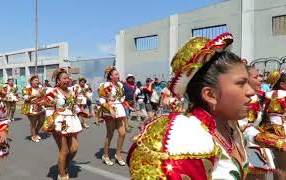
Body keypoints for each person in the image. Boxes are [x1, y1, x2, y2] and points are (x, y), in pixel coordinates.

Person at [127, 32, 253, 179]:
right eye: (241, 84)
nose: (251, 91)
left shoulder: (231, 125)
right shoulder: (185, 137)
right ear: (210, 95)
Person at [42, 68, 82, 180]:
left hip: (72, 121)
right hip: (59, 121)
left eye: (68, 78)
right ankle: (61, 174)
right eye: (64, 78)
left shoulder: (72, 91)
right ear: (58, 81)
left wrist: (82, 112)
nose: (67, 80)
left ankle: (62, 165)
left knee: (74, 149)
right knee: (64, 150)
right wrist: (52, 121)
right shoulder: (53, 92)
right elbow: (49, 108)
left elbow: (74, 106)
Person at [238, 66, 275, 179]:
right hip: (248, 145)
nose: (260, 79)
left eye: (259, 76)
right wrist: (263, 137)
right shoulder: (247, 99)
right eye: (256, 77)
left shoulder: (256, 97)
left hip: (255, 142)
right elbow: (243, 125)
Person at [254, 70, 286, 179]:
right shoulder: (284, 95)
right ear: (282, 84)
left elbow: (261, 114)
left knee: (276, 165)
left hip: (266, 131)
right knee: (283, 166)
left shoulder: (266, 95)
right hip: (282, 132)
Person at [98, 66, 127, 166]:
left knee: (122, 133)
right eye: (115, 74)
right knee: (110, 134)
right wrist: (109, 107)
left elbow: (122, 96)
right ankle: (105, 155)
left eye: (118, 74)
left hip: (119, 109)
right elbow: (101, 99)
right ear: (110, 76)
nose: (118, 76)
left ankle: (118, 154)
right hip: (109, 110)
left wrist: (124, 102)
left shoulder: (119, 85)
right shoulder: (106, 85)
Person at [21, 75, 46, 142]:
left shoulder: (40, 88)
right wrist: (35, 95)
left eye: (38, 80)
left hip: (40, 106)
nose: (37, 82)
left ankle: (36, 132)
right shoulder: (27, 88)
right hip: (32, 107)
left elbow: (44, 96)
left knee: (42, 121)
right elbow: (25, 98)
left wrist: (42, 93)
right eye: (36, 80)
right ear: (31, 82)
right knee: (33, 123)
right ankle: (34, 135)